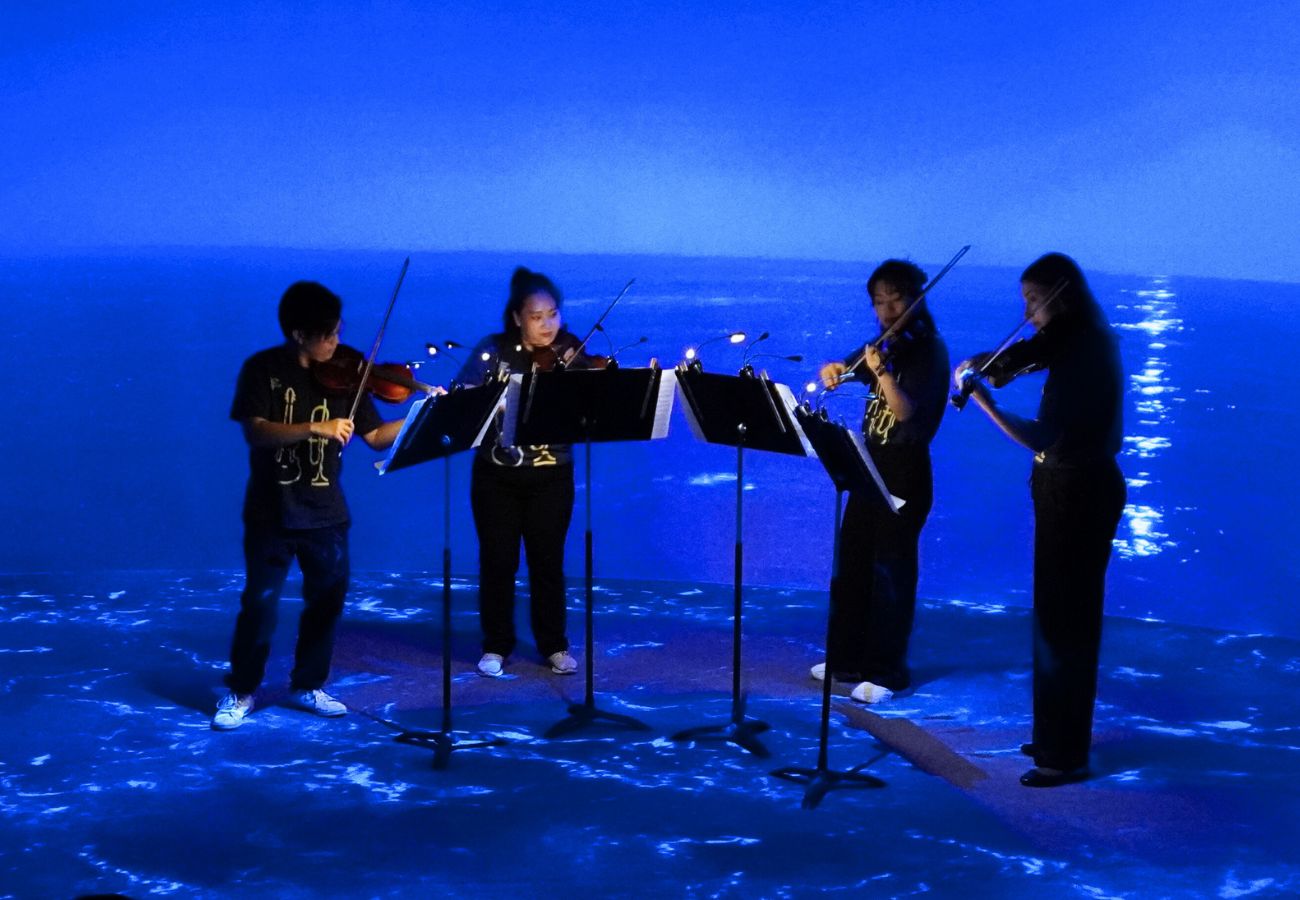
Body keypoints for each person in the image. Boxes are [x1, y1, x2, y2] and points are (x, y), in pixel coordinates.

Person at [954, 252, 1125, 787]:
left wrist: (984, 400)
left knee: (1068, 621)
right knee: (1054, 615)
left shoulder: (1084, 351)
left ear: (1062, 295)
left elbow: (1043, 436)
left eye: (1033, 300)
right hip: (1062, 487)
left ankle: (1065, 754)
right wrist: (988, 364)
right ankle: (1053, 734)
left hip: (1080, 489)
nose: (1027, 314)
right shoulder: (1072, 341)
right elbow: (1028, 356)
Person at [213, 281, 405, 730]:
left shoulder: (348, 374)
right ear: (299, 334)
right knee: (260, 605)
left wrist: (423, 415)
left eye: (339, 331)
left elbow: (376, 437)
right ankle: (242, 690)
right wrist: (315, 428)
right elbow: (257, 431)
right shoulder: (262, 369)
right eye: (329, 335)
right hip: (272, 511)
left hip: (326, 513)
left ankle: (307, 685)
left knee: (327, 602)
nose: (338, 342)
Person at [814, 259, 950, 703]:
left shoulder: (929, 349)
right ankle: (847, 659)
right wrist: (835, 369)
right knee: (852, 561)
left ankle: (887, 672)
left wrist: (883, 373)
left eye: (896, 300)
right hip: (869, 462)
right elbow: (850, 366)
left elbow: (907, 412)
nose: (888, 311)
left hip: (905, 467)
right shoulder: (884, 343)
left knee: (891, 571)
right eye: (879, 302)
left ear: (916, 298)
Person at [454, 266, 593, 679]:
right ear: (517, 317)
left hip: (552, 477)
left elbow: (592, 405)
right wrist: (485, 401)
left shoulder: (572, 353)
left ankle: (554, 645)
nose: (548, 325)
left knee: (547, 563)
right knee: (497, 562)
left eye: (553, 314)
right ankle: (496, 645)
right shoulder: (492, 351)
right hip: (496, 477)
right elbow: (462, 401)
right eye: (536, 317)